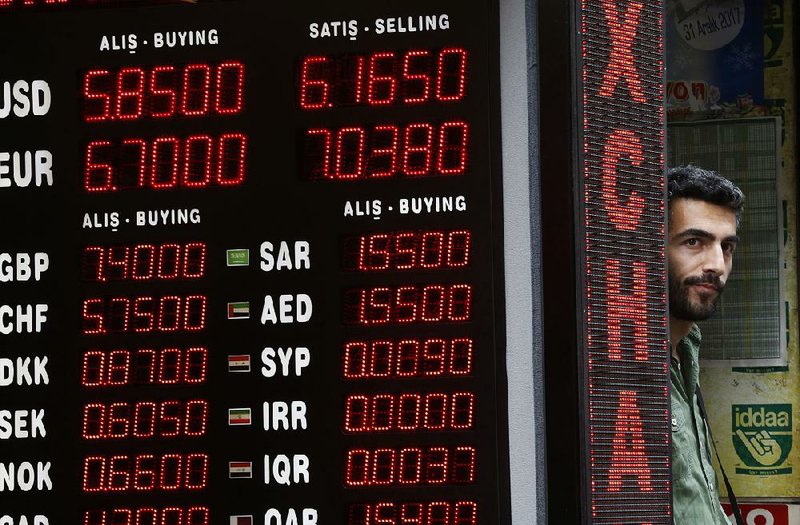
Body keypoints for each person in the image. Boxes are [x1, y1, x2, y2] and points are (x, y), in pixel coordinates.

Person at [667, 165, 744, 524]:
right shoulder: (617, 364)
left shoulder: (686, 350)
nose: (717, 264)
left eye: (726, 246)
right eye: (694, 242)